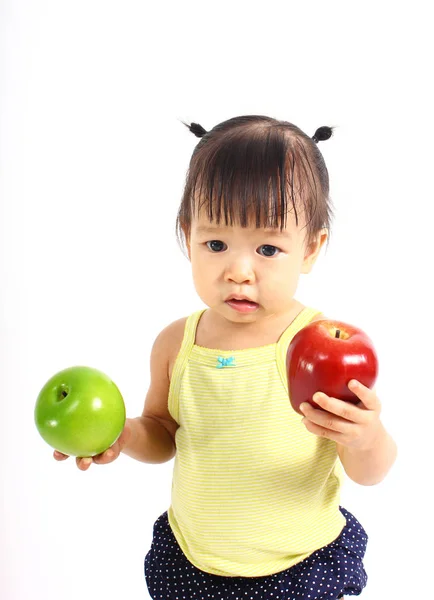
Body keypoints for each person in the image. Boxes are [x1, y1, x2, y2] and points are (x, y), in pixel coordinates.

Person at [54, 115, 398, 599]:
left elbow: (371, 471)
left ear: (311, 249)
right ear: (187, 234)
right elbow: (163, 434)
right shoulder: (178, 344)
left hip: (300, 568)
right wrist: (122, 433)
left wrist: (367, 437)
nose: (239, 271)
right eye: (216, 244)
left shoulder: (321, 347)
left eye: (268, 248)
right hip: (193, 564)